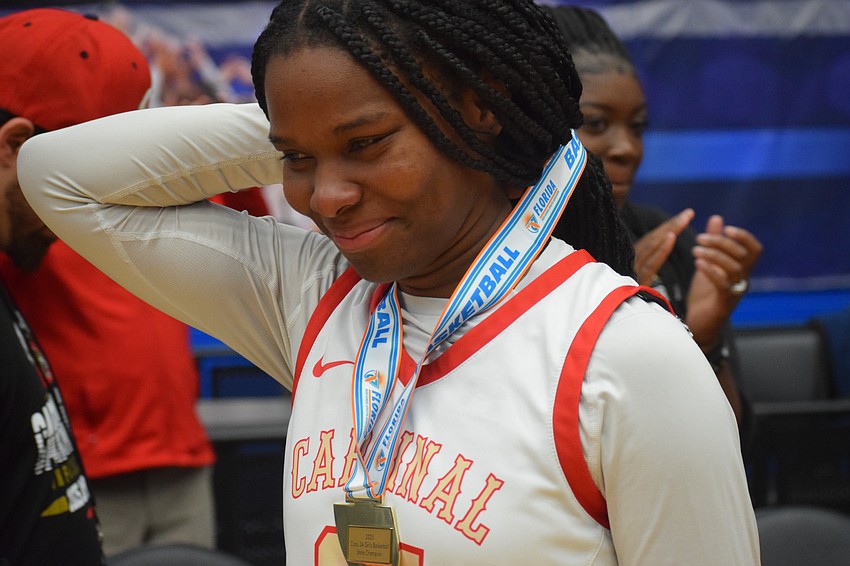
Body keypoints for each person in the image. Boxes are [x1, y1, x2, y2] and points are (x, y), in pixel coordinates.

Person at [18, 1, 760, 563]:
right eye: (296, 161)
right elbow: (58, 177)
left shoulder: (626, 356)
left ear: (478, 110)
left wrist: (363, 112)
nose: (327, 196)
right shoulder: (314, 299)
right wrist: (304, 116)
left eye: (366, 144)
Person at [0, 7, 218, 558]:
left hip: (176, 447)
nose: (105, 199)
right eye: (91, 177)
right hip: (93, 462)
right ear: (16, 146)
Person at [546, 5, 763, 431]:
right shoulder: (499, 254)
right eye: (596, 123)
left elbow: (734, 445)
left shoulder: (666, 242)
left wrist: (704, 337)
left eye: (638, 126)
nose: (627, 147)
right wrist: (615, 307)